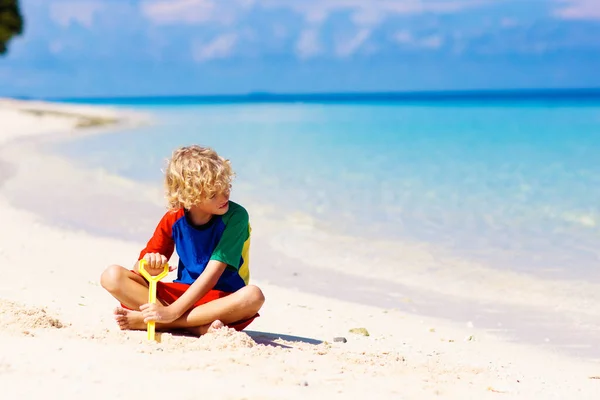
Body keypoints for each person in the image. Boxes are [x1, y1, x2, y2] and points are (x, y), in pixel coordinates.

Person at [100, 145, 265, 336]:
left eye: (226, 187)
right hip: (182, 295)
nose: (225, 196)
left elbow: (213, 273)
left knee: (253, 296)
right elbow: (140, 268)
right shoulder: (173, 218)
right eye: (213, 194)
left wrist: (171, 312)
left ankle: (160, 322)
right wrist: (152, 265)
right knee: (111, 276)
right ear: (189, 196)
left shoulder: (236, 217)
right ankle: (193, 327)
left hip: (220, 300)